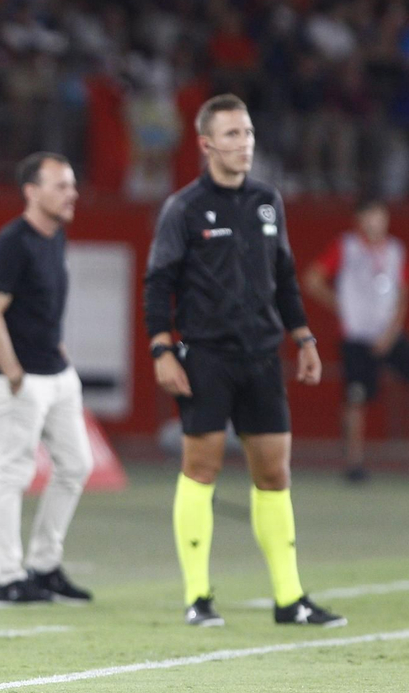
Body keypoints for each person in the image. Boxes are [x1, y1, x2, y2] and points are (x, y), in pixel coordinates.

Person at [145, 94, 344, 628]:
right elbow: (157, 283)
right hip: (205, 355)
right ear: (206, 144)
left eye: (249, 133)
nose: (245, 144)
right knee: (201, 468)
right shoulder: (183, 208)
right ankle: (197, 596)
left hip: (261, 355)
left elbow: (283, 275)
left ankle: (290, 599)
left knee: (275, 473)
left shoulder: (266, 201)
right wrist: (162, 349)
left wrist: (303, 337)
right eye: (232, 135)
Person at [0, 152, 94, 607]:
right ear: (31, 191)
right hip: (19, 379)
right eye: (61, 185)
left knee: (76, 465)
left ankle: (43, 566)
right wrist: (14, 373)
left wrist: (57, 352)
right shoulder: (13, 242)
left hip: (56, 373)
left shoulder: (55, 237)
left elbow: (41, 307)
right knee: (12, 473)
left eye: (72, 185)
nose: (72, 194)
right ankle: (8, 577)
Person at [303, 199, 409, 482]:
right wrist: (343, 306)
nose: (375, 222)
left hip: (388, 334)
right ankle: (354, 463)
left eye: (380, 216)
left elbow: (402, 296)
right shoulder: (347, 246)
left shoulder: (396, 250)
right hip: (356, 336)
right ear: (359, 220)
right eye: (370, 216)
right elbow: (312, 279)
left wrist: (391, 333)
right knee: (355, 397)